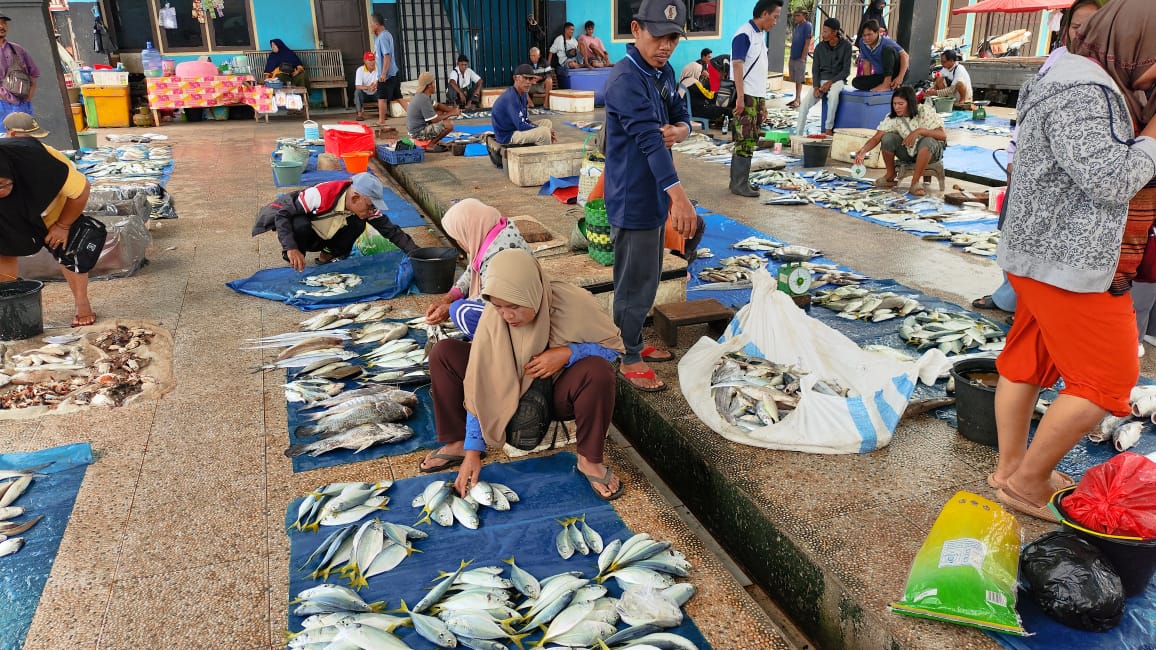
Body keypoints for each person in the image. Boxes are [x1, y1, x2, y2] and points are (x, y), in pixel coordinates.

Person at [990, 0, 1156, 522]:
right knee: (1109, 378)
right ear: (1133, 43)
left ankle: (1011, 469)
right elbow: (1109, 178)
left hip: (1044, 252)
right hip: (1069, 260)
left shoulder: (1073, 73)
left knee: (1027, 362)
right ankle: (1029, 481)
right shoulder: (1083, 87)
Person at [421, 248, 627, 501]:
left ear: (532, 293)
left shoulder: (573, 303)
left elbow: (613, 349)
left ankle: (590, 460)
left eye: (515, 306)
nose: (507, 315)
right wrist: (473, 450)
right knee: (444, 352)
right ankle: (457, 443)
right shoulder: (494, 318)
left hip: (554, 393)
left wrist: (568, 353)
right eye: (498, 306)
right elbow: (479, 376)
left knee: (598, 371)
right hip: (503, 387)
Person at [971, 0, 1102, 315]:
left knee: (1053, 239)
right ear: (1066, 29)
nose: (1083, 33)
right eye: (1076, 25)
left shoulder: (1108, 68)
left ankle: (1037, 305)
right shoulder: (1057, 59)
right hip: (1033, 165)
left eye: (1092, 26)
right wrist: (1014, 155)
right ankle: (1009, 297)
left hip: (1072, 174)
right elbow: (1028, 111)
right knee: (1014, 230)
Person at [604, 0, 696, 392]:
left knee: (649, 274)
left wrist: (683, 130)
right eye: (659, 35)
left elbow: (679, 112)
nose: (666, 45)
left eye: (673, 37)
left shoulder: (662, 70)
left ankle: (634, 341)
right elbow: (649, 143)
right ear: (636, 28)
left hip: (655, 192)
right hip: (633, 196)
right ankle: (627, 354)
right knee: (633, 280)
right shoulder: (626, 80)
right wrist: (681, 198)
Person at [0, 127, 95, 326]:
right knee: (4, 247)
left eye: (1, 185)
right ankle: (9, 305)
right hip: (10, 211)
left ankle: (81, 302)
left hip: (53, 205)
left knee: (67, 247)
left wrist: (63, 225)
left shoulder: (40, 163)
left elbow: (82, 191)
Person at [251, 172, 418, 272]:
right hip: (309, 233)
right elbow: (282, 215)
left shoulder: (367, 209)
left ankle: (328, 255)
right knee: (298, 222)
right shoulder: (320, 194)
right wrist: (291, 248)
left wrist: (416, 253)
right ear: (355, 197)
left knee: (359, 222)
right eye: (370, 206)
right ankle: (297, 257)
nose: (372, 210)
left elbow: (391, 231)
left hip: (327, 236)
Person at [424, 198, 532, 338]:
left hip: (519, 314)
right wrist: (448, 298)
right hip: (512, 305)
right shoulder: (494, 234)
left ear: (470, 230)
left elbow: (496, 298)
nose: (459, 243)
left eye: (459, 237)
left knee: (460, 310)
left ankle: (493, 342)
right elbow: (472, 270)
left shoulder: (500, 255)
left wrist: (450, 308)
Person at [729, 0, 783, 197]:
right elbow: (737, 65)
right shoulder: (744, 34)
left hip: (756, 96)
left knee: (751, 138)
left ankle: (741, 181)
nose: (776, 22)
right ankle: (738, 184)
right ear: (764, 13)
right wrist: (741, 98)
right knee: (744, 138)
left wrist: (763, 103)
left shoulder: (759, 35)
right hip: (747, 95)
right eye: (775, 17)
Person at [853, 86, 946, 197]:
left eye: (900, 104)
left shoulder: (924, 111)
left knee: (928, 141)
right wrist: (863, 151)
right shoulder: (892, 118)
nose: (897, 107)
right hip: (909, 152)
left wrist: (919, 131)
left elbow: (942, 135)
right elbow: (876, 138)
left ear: (910, 103)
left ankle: (915, 183)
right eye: (894, 104)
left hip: (931, 153)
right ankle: (890, 174)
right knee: (887, 138)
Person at [487, 64, 555, 166]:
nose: (528, 82)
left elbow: (525, 120)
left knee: (547, 123)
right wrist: (540, 129)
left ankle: (535, 153)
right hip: (507, 136)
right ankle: (543, 164)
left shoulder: (522, 94)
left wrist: (538, 127)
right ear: (515, 78)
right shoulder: (511, 97)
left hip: (516, 128)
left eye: (530, 79)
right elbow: (521, 125)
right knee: (544, 132)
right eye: (525, 78)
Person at [795, 18, 851, 136]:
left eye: (825, 31)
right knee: (804, 105)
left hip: (838, 80)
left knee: (834, 95)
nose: (822, 34)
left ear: (834, 32)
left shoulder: (846, 46)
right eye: (823, 31)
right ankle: (797, 135)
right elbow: (815, 69)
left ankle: (828, 128)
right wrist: (816, 86)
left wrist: (830, 83)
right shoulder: (819, 47)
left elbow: (846, 71)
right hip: (821, 80)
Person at [407, 71, 458, 152]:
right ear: (429, 85)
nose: (435, 86)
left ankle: (431, 141)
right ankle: (431, 145)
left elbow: (437, 105)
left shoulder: (421, 96)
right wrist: (451, 113)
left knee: (440, 112)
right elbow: (435, 120)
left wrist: (452, 110)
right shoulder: (423, 99)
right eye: (433, 83)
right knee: (449, 124)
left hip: (415, 130)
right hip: (417, 133)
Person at [0, 14, 37, 124]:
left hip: (22, 104)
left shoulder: (17, 49)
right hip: (1, 104)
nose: (1, 26)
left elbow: (34, 73)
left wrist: (29, 96)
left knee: (24, 137)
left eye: (4, 23)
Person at [371, 13, 407, 126]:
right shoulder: (386, 35)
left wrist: (383, 74)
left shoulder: (382, 37)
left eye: (372, 23)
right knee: (398, 97)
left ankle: (381, 121)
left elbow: (387, 56)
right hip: (393, 72)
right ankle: (414, 116)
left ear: (376, 24)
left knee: (381, 98)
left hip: (388, 75)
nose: (371, 26)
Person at [852, 20, 908, 91]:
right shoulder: (862, 43)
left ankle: (887, 84)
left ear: (877, 32)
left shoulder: (886, 41)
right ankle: (887, 85)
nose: (866, 38)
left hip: (897, 73)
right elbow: (866, 63)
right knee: (856, 82)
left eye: (869, 34)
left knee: (888, 50)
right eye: (864, 35)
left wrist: (900, 77)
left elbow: (905, 56)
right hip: (882, 75)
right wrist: (868, 82)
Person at [679, 48, 728, 126]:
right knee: (723, 109)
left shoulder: (684, 81)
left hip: (689, 109)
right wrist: (716, 90)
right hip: (695, 112)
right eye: (699, 71)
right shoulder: (693, 82)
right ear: (694, 71)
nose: (701, 73)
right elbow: (710, 96)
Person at [787, 9, 813, 109]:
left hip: (800, 57)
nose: (795, 17)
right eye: (795, 15)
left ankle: (798, 99)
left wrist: (802, 57)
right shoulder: (798, 26)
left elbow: (807, 42)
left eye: (798, 15)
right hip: (793, 55)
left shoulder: (807, 25)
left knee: (799, 79)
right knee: (794, 79)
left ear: (804, 16)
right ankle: (796, 98)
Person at [549, 22, 581, 88]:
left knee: (582, 43)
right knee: (572, 64)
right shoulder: (559, 39)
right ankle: (582, 65)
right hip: (565, 62)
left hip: (575, 59)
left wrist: (575, 51)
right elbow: (551, 52)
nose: (572, 31)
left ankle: (584, 63)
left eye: (573, 30)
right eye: (571, 29)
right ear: (566, 30)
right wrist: (548, 66)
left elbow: (578, 51)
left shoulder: (574, 40)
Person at [353, 52, 378, 121]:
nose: (372, 62)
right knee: (357, 92)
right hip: (364, 95)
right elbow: (357, 86)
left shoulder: (378, 68)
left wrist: (375, 86)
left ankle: (383, 114)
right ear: (364, 61)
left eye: (373, 60)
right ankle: (360, 115)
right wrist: (368, 87)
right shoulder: (360, 70)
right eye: (369, 60)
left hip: (376, 93)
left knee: (383, 90)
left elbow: (379, 81)